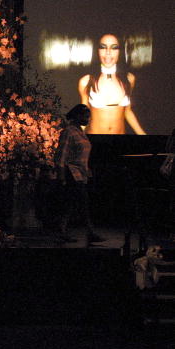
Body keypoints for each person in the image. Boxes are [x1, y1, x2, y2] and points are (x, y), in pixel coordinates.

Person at [55, 104, 105, 244]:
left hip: (81, 174)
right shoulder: (69, 132)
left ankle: (62, 231)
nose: (88, 119)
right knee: (81, 203)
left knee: (72, 204)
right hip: (72, 173)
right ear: (77, 116)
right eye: (85, 116)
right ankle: (89, 232)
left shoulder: (80, 132)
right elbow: (61, 155)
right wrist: (61, 176)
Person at [78, 33, 146, 135]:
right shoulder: (86, 81)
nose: (108, 52)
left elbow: (127, 112)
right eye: (103, 47)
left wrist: (144, 136)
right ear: (97, 51)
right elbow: (83, 116)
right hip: (95, 142)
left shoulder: (129, 79)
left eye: (114, 48)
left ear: (120, 52)